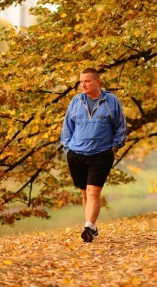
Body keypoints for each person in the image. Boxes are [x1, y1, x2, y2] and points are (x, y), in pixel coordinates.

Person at [61, 68, 127, 242]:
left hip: (101, 153)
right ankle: (91, 227)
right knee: (84, 193)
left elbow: (121, 126)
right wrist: (68, 148)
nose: (83, 84)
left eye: (87, 81)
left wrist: (114, 147)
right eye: (81, 81)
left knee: (93, 192)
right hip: (76, 153)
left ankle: (88, 227)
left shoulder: (111, 101)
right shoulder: (75, 101)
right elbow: (67, 127)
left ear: (97, 82)